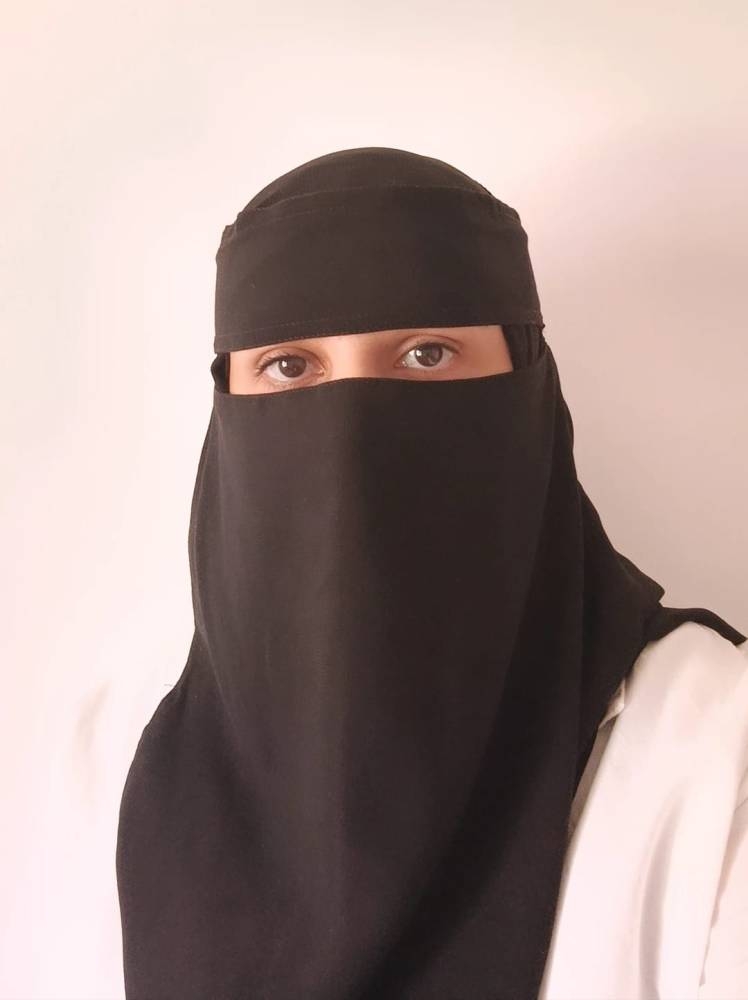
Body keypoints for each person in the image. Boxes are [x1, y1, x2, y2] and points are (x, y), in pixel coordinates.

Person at [116, 147, 748, 999]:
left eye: (426, 354)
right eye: (289, 366)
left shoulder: (716, 745)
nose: (351, 440)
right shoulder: (108, 755)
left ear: (529, 380)